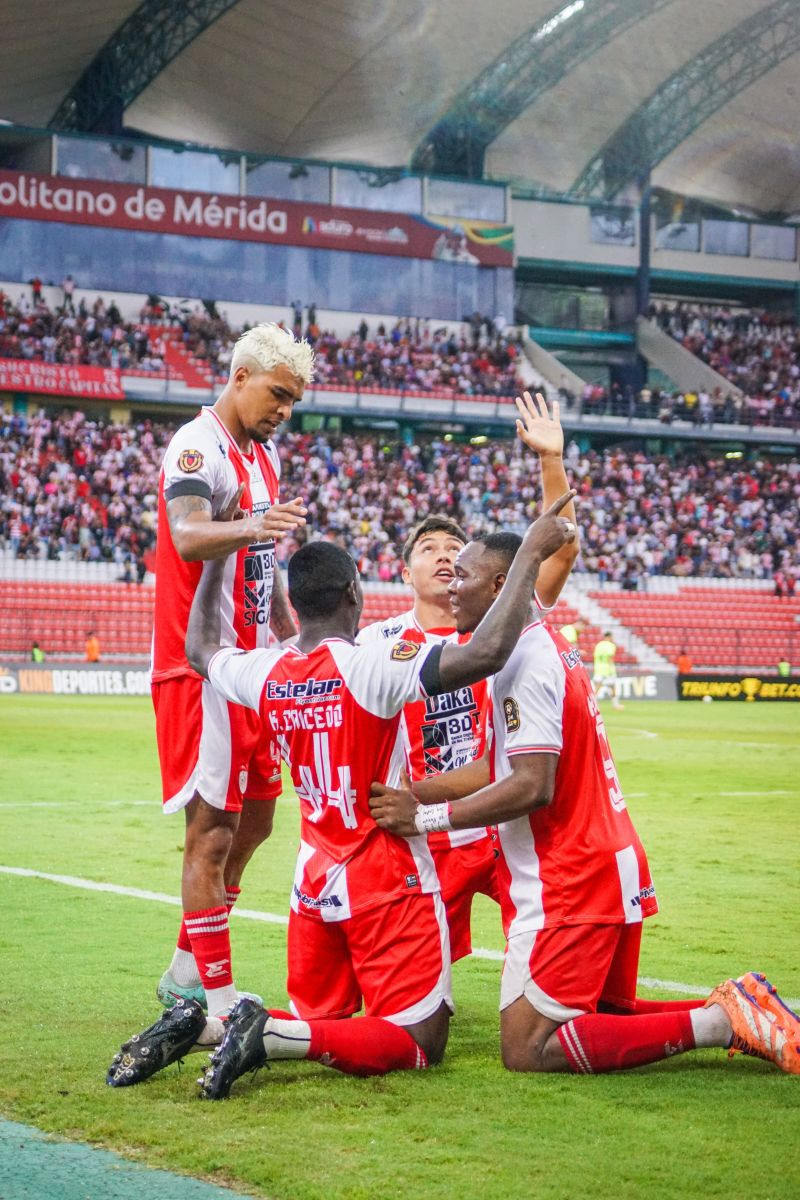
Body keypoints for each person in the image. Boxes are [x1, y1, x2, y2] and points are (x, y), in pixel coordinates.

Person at [106, 494, 577, 1093]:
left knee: (321, 1025)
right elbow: (486, 651)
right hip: (385, 878)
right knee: (419, 1043)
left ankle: (209, 1026)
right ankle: (262, 1032)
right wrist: (532, 552)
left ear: (295, 607)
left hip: (311, 887)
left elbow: (199, 650)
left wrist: (220, 557)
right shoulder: (374, 665)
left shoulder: (268, 672)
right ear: (355, 594)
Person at [370, 537, 800, 1078]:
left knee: (527, 1049)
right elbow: (496, 765)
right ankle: (747, 1007)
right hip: (605, 857)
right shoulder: (542, 642)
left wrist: (424, 818)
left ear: (502, 586)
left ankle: (722, 1022)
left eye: (463, 577)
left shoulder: (524, 661)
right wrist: (419, 791)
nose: (452, 589)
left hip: (568, 875)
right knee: (605, 1017)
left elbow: (531, 786)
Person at [358, 392, 579, 962]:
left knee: (539, 948)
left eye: (454, 549)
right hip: (431, 830)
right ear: (404, 571)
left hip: (501, 821)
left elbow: (557, 553)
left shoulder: (499, 623)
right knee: (425, 973)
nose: (442, 556)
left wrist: (551, 460)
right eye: (427, 548)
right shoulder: (380, 642)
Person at [150, 323, 311, 1021]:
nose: (283, 410)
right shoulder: (197, 445)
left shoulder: (264, 457)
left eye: (293, 402)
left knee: (258, 823)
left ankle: (187, 968)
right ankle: (215, 999)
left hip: (252, 667)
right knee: (211, 832)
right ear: (241, 376)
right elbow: (188, 536)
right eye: (277, 394)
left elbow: (265, 562)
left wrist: (292, 637)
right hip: (200, 668)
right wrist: (252, 525)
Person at [593, 631, 622, 710]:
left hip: (598, 668)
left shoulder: (598, 645)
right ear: (609, 637)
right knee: (612, 687)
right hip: (608, 669)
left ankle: (593, 704)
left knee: (597, 688)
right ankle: (616, 705)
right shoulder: (611, 645)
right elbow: (610, 657)